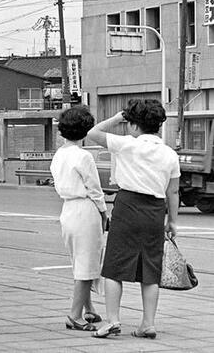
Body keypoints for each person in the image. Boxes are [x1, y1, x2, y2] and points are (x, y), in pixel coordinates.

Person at [86, 99, 180, 339]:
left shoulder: (126, 144)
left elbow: (93, 133)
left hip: (128, 206)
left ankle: (113, 320)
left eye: (129, 123)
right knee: (150, 270)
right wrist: (173, 222)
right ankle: (148, 323)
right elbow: (173, 192)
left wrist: (117, 118)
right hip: (155, 211)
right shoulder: (170, 154)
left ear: (135, 125)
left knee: (114, 268)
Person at [50, 106, 107, 332]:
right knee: (88, 263)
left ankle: (88, 307)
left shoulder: (59, 155)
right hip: (86, 210)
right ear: (85, 130)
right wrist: (104, 213)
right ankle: (75, 315)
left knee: (79, 260)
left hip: (68, 210)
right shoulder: (84, 156)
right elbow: (95, 190)